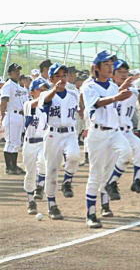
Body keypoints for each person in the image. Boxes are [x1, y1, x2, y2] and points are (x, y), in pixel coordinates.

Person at [82, 51, 134, 228]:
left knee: (127, 153)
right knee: (95, 175)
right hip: (97, 133)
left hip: (114, 131)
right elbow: (96, 103)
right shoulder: (88, 86)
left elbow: (113, 99)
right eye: (106, 64)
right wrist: (116, 96)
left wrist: (119, 91)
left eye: (112, 64)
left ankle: (111, 183)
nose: (110, 67)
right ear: (96, 67)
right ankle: (90, 214)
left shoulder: (112, 85)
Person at [39, 63, 82, 220]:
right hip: (53, 135)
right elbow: (46, 102)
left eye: (64, 75)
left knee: (75, 156)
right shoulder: (46, 94)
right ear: (50, 78)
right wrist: (54, 90)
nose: (62, 79)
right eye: (57, 76)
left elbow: (79, 108)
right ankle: (52, 204)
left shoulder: (73, 94)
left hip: (70, 133)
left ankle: (67, 181)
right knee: (51, 171)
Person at [104, 60, 140, 200]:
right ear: (112, 74)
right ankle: (108, 193)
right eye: (120, 72)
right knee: (109, 166)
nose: (123, 75)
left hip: (127, 131)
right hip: (111, 132)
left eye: (125, 72)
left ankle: (136, 181)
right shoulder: (108, 89)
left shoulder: (133, 91)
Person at [22, 78, 49, 215]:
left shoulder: (47, 108)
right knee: (30, 173)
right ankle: (31, 201)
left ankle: (40, 186)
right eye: (40, 90)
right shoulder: (28, 104)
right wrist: (48, 95)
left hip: (42, 142)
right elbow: (34, 105)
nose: (43, 92)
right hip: (29, 143)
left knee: (44, 163)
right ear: (32, 92)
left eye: (45, 90)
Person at [1, 63, 29, 175]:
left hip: (20, 116)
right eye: (15, 71)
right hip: (11, 115)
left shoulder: (19, 86)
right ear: (9, 73)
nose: (17, 73)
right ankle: (9, 167)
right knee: (10, 142)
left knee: (17, 142)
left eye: (18, 71)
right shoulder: (8, 85)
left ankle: (14, 165)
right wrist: (1, 114)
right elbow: (4, 101)